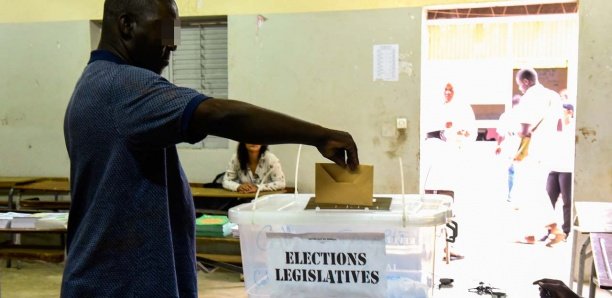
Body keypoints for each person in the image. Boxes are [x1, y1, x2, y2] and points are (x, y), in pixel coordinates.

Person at [61, 0, 359, 297]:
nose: (173, 46)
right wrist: (319, 136)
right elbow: (218, 114)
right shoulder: (122, 85)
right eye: (166, 31)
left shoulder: (94, 83)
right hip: (119, 286)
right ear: (127, 25)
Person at [422, 82, 476, 261]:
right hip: (432, 156)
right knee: (428, 197)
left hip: (452, 157)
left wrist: (461, 133)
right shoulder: (432, 106)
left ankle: (448, 245)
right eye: (444, 89)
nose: (447, 92)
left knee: (449, 200)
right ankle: (429, 245)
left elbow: (471, 133)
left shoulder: (463, 108)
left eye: (451, 89)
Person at [511, 68, 564, 246]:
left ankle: (553, 228)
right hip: (551, 150)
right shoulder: (554, 96)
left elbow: (525, 130)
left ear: (526, 82)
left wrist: (515, 132)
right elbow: (559, 126)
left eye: (520, 85)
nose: (520, 89)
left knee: (529, 190)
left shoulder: (530, 97)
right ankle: (531, 234)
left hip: (533, 151)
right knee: (531, 190)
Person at [546, 103, 575, 238]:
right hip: (553, 167)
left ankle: (567, 231)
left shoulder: (574, 127)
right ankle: (549, 230)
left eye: (562, 110)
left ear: (569, 112)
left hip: (567, 168)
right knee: (548, 198)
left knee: (567, 201)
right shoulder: (554, 126)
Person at [495, 94, 521, 202]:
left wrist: (498, 145)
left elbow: (500, 134)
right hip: (517, 143)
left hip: (510, 142)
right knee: (514, 170)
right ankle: (511, 194)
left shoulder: (506, 115)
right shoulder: (523, 115)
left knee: (510, 170)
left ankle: (509, 194)